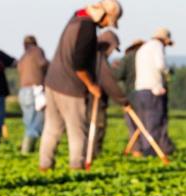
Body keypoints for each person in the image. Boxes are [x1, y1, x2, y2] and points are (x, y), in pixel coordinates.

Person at [39, 0, 123, 170]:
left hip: (52, 82)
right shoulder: (87, 28)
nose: (107, 25)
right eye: (109, 21)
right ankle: (77, 167)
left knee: (52, 128)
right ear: (103, 15)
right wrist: (91, 86)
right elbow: (79, 65)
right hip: (70, 88)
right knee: (77, 131)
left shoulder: (76, 18)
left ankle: (45, 166)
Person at [133, 27, 175, 157]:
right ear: (165, 40)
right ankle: (152, 151)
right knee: (155, 121)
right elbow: (160, 65)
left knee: (144, 122)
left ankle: (146, 149)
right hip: (153, 89)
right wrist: (168, 74)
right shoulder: (157, 46)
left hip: (140, 90)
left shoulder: (143, 48)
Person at [89, 31, 129, 157]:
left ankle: (87, 155)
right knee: (97, 127)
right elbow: (108, 82)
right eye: (112, 49)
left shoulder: (90, 54)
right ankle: (92, 155)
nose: (112, 52)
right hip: (94, 99)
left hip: (84, 98)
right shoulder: (99, 58)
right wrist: (123, 101)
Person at [17, 35, 49, 154]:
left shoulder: (23, 56)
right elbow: (43, 64)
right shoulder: (37, 51)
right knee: (37, 123)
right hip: (35, 91)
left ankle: (26, 150)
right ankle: (27, 151)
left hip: (23, 91)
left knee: (28, 123)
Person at [113, 38, 144, 145]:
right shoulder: (147, 57)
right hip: (147, 95)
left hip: (131, 94)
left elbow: (118, 75)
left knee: (132, 124)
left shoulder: (127, 58)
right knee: (145, 123)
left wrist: (116, 67)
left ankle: (136, 149)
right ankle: (147, 148)